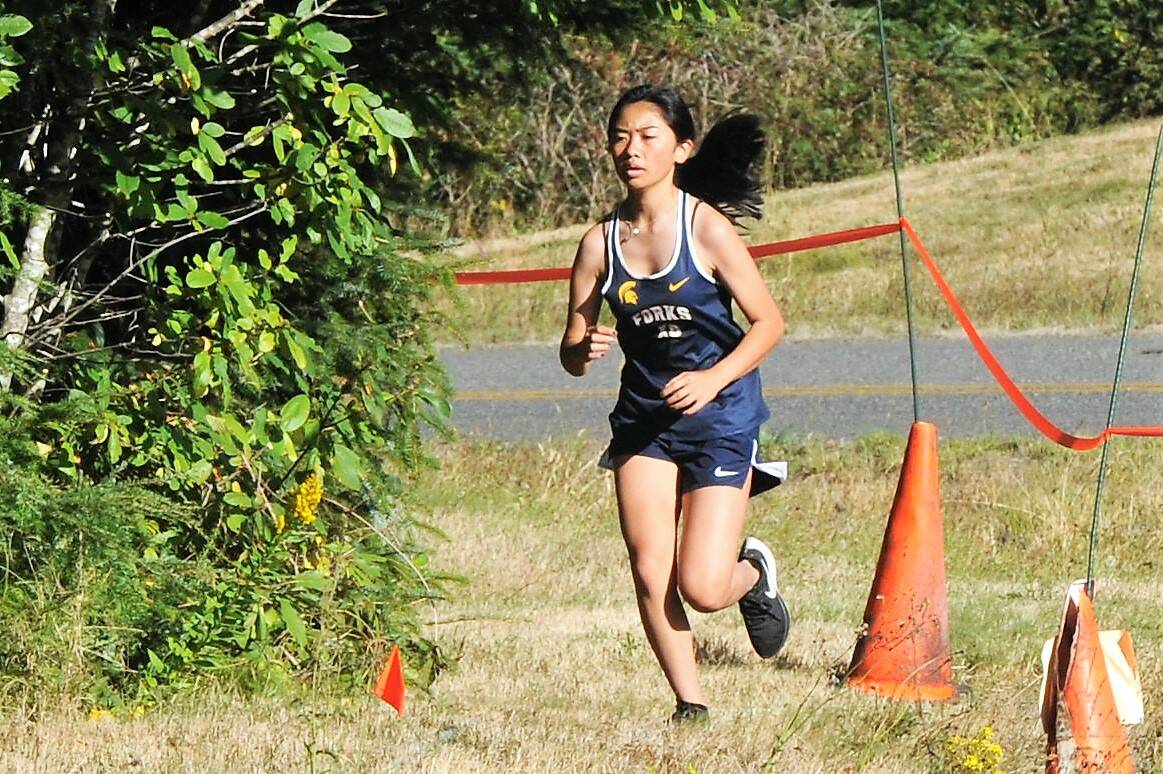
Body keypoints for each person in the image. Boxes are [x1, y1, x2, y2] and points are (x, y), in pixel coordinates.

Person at [559, 84, 791, 724]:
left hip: (720, 417)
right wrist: (585, 346)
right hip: (645, 422)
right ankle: (691, 703)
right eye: (620, 136)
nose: (630, 149)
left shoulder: (707, 229)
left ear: (681, 149)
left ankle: (753, 573)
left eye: (647, 136)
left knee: (702, 586)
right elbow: (571, 351)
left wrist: (714, 379)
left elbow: (769, 323)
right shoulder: (597, 244)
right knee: (649, 569)